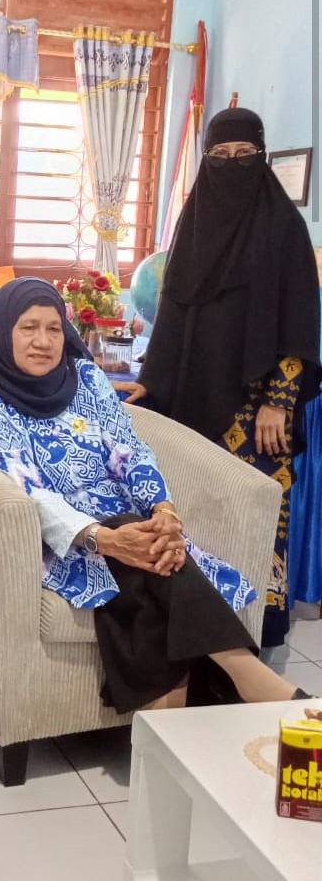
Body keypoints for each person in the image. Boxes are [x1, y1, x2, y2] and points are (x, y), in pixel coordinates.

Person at [0, 276, 312, 717]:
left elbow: (128, 450)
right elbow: (31, 495)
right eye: (28, 328)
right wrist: (104, 539)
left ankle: (175, 700)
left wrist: (164, 511)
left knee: (149, 548)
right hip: (64, 541)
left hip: (130, 522)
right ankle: (251, 679)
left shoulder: (87, 379)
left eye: (53, 328)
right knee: (146, 551)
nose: (44, 341)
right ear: (1, 333)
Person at [119, 108, 322, 649]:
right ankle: (192, 628)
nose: (232, 166)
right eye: (220, 157)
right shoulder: (193, 223)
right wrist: (151, 382)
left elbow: (301, 324)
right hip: (190, 400)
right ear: (206, 160)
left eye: (245, 156)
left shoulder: (284, 227)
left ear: (262, 157)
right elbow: (173, 311)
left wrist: (280, 400)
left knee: (253, 518)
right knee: (194, 513)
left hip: (258, 411)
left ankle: (255, 632)